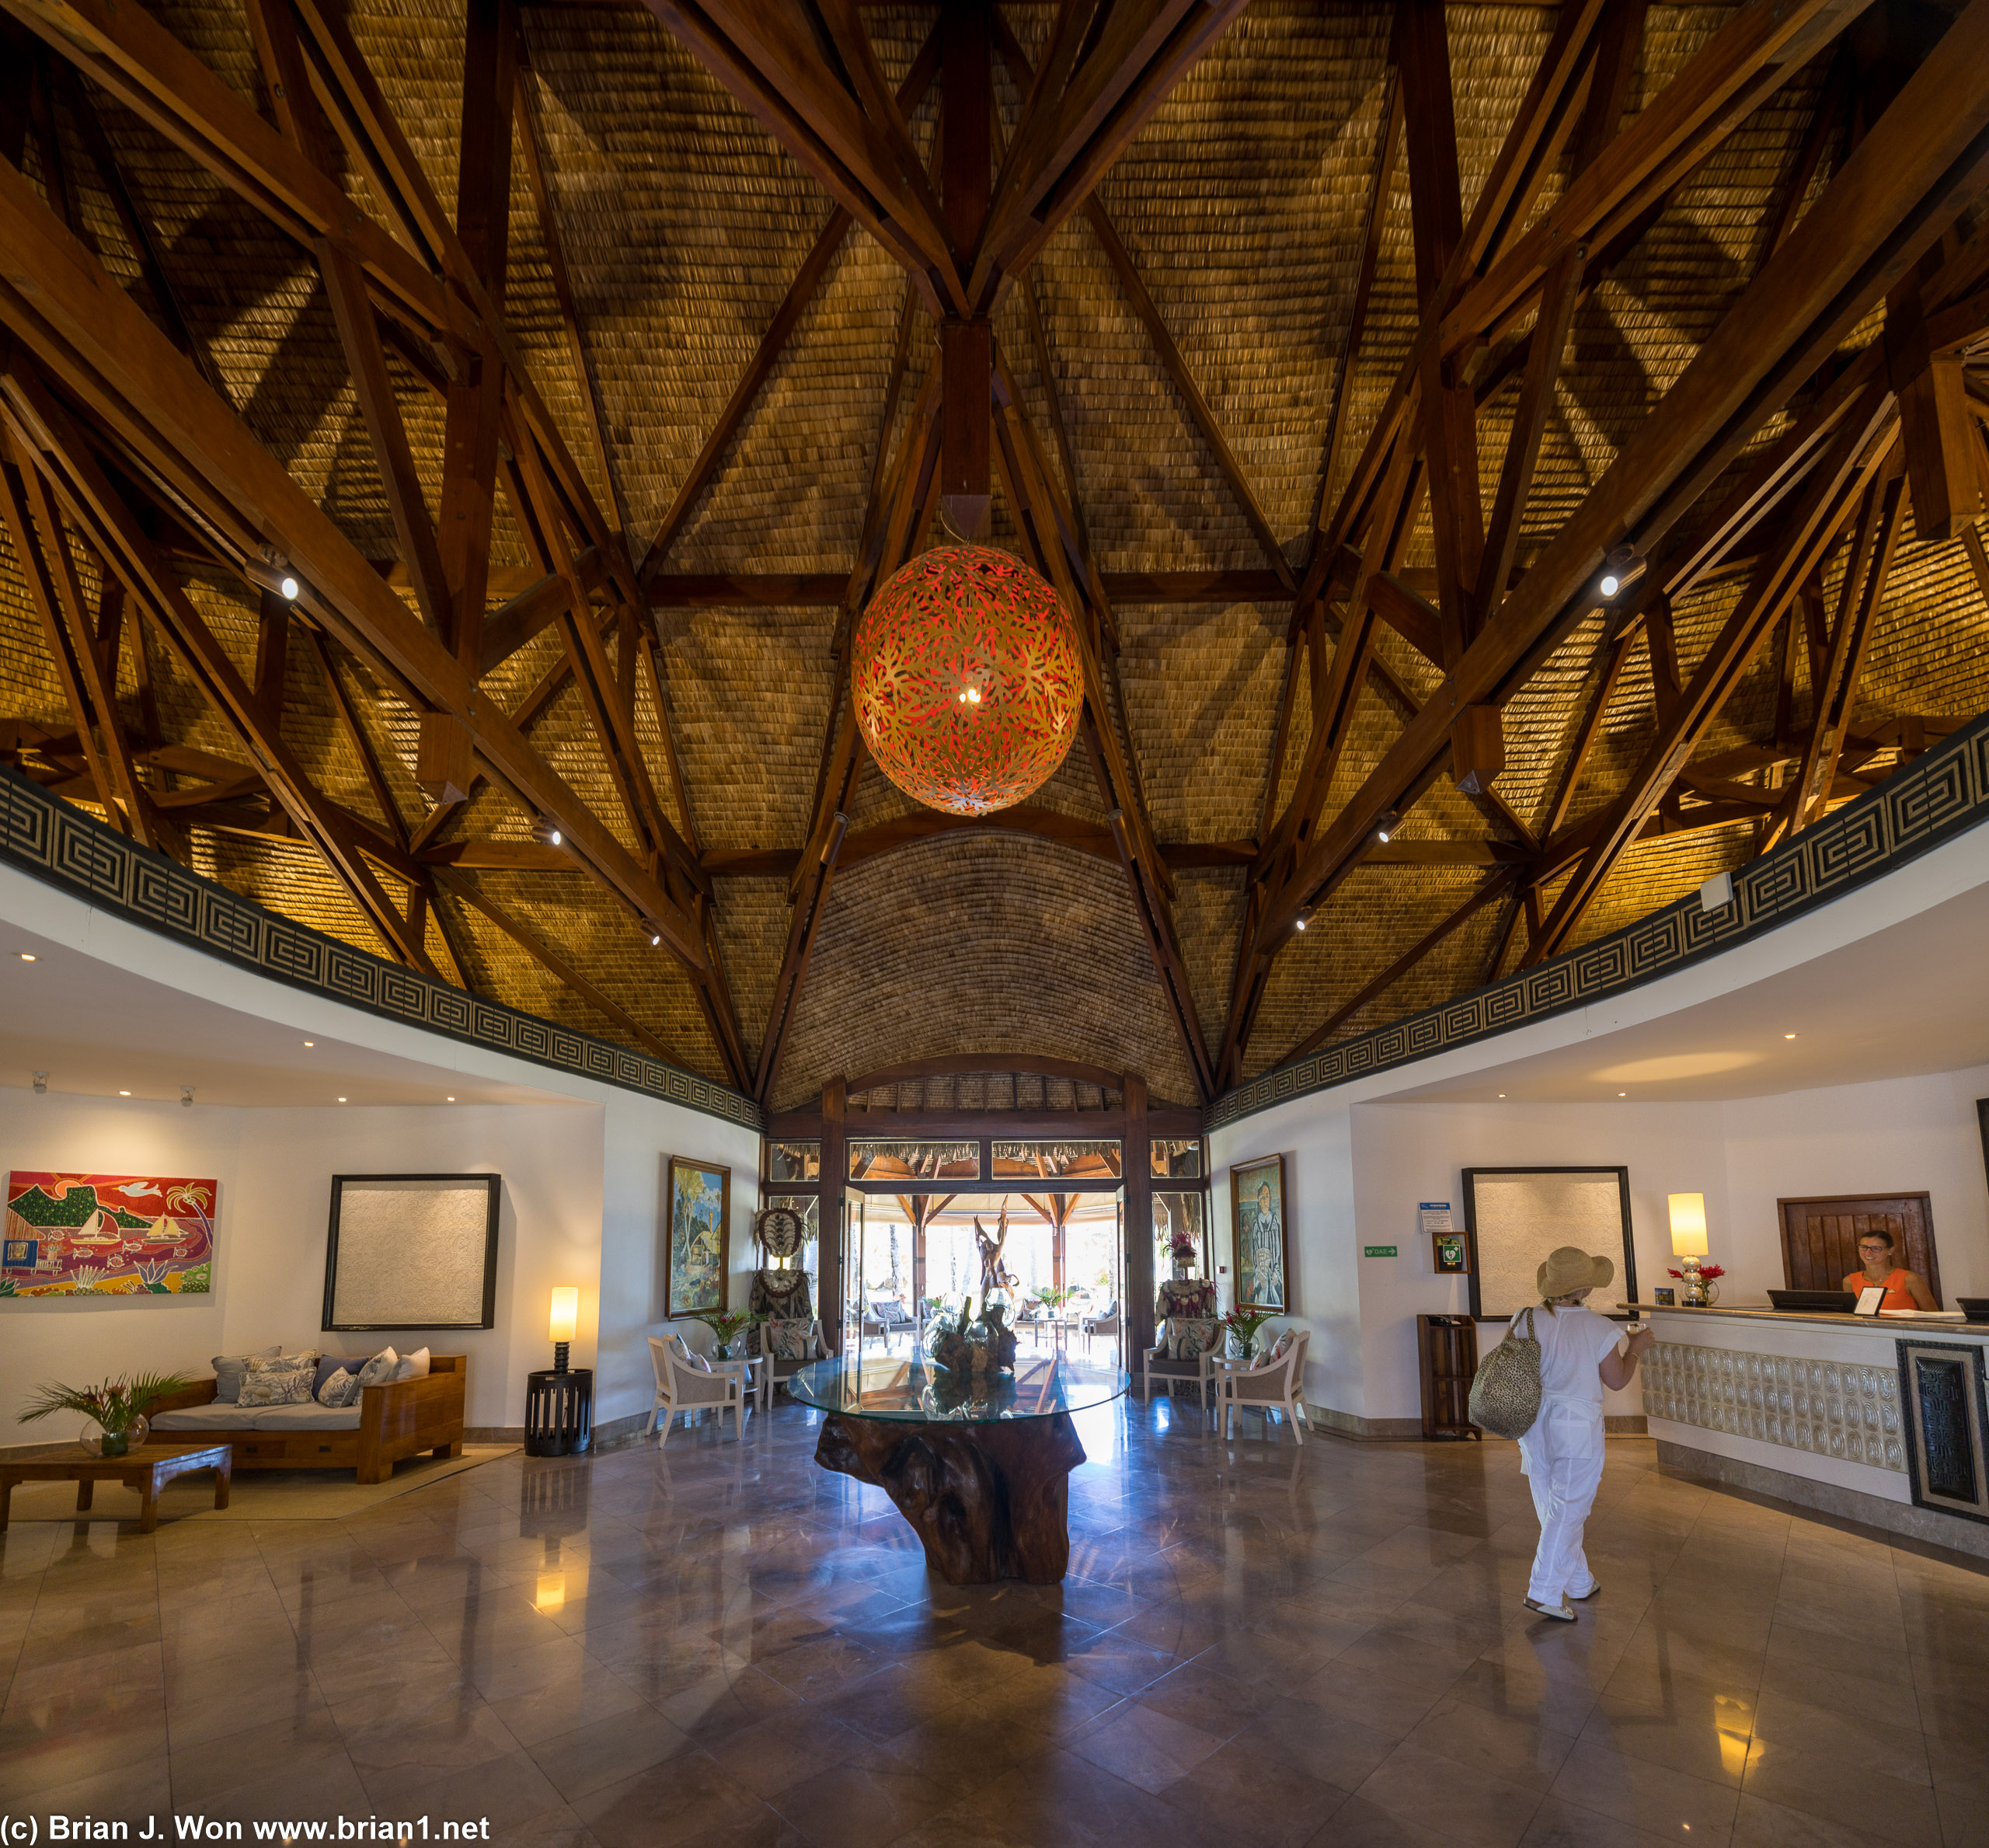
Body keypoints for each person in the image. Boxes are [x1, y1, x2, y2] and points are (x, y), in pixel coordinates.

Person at [1504, 1246, 1655, 1623]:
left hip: (1533, 1423)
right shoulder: (1598, 1326)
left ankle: (1578, 1579)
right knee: (1569, 1508)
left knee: (1552, 1505)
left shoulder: (1524, 1318)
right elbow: (1617, 1380)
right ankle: (1543, 1592)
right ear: (1586, 1288)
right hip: (1575, 1426)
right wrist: (1635, 1349)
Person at [1840, 1227, 1937, 1310]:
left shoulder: (1909, 1279)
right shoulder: (1849, 1281)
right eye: (1864, 1247)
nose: (1868, 1252)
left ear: (1890, 1251)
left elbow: (1933, 1316)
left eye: (1876, 1248)